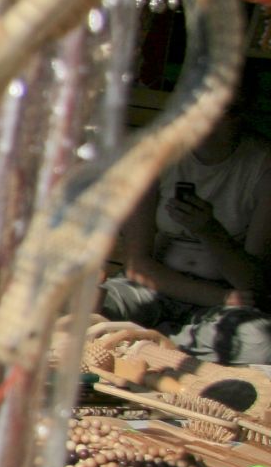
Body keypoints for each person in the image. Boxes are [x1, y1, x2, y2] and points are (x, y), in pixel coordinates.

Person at [102, 98, 271, 364]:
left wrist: (210, 231)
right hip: (157, 286)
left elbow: (252, 283)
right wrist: (221, 296)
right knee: (97, 305)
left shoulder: (261, 165)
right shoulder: (158, 156)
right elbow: (138, 264)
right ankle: (160, 345)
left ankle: (152, 344)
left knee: (260, 341)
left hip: (222, 306)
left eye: (230, 110)